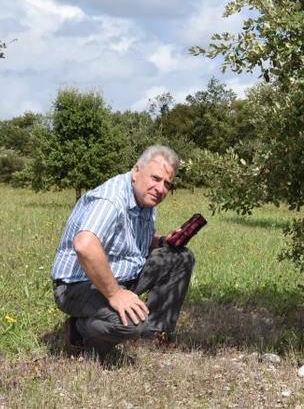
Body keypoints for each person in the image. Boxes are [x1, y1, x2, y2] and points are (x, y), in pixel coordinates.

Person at [50, 145, 195, 358]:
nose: (161, 188)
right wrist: (115, 294)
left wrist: (163, 241)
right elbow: (85, 245)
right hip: (77, 285)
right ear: (136, 171)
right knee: (133, 323)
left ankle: (152, 336)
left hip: (120, 274)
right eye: (155, 178)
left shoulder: (144, 197)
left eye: (167, 184)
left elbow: (133, 239)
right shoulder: (111, 200)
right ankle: (80, 332)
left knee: (180, 257)